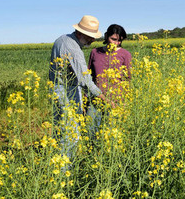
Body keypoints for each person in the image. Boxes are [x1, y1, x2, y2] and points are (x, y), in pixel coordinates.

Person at [49, 15, 112, 160]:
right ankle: (64, 172)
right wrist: (106, 100)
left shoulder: (62, 39)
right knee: (72, 136)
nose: (93, 40)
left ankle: (56, 165)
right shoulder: (74, 49)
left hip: (57, 89)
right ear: (80, 33)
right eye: (90, 36)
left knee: (60, 131)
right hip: (66, 91)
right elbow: (86, 81)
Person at [87, 24, 132, 135]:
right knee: (90, 131)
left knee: (111, 134)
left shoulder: (125, 54)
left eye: (119, 41)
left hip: (115, 101)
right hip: (95, 99)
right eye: (113, 39)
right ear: (106, 36)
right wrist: (85, 98)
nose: (116, 43)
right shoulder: (95, 52)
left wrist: (125, 101)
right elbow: (88, 75)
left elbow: (128, 79)